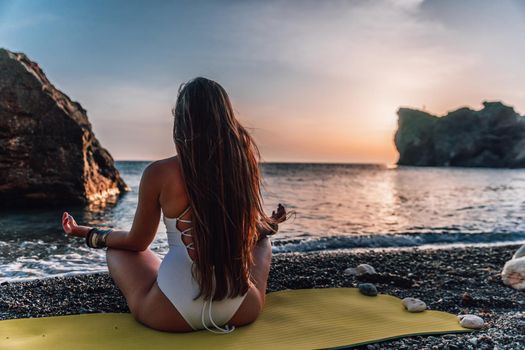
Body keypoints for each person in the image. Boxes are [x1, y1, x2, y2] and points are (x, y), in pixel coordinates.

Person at [60, 77, 291, 333]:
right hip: (241, 309)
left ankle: (172, 276)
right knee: (262, 242)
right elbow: (244, 231)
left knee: (117, 250)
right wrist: (266, 226)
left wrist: (88, 233)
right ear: (226, 118)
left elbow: (137, 243)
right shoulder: (243, 166)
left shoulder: (158, 173)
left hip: (170, 314)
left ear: (181, 120)